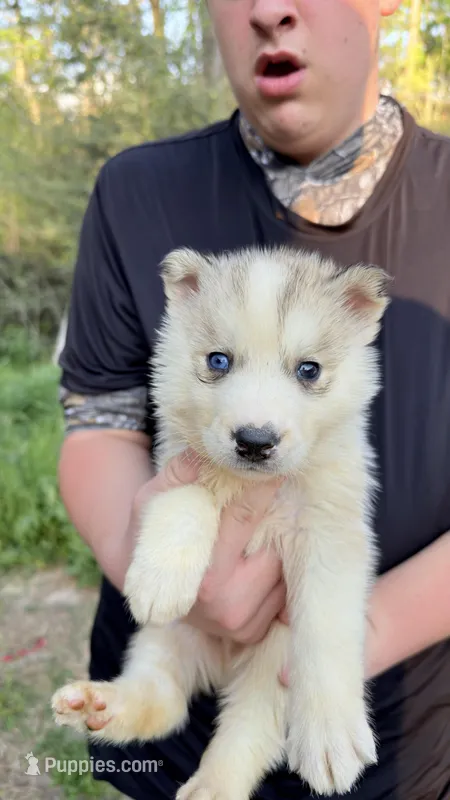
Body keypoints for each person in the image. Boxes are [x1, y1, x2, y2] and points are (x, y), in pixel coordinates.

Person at [57, 0, 450, 797]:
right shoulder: (135, 189)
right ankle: (152, 705)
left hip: (409, 741)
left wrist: (332, 653)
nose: (271, 8)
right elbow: (97, 424)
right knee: (164, 669)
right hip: (162, 754)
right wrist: (158, 563)